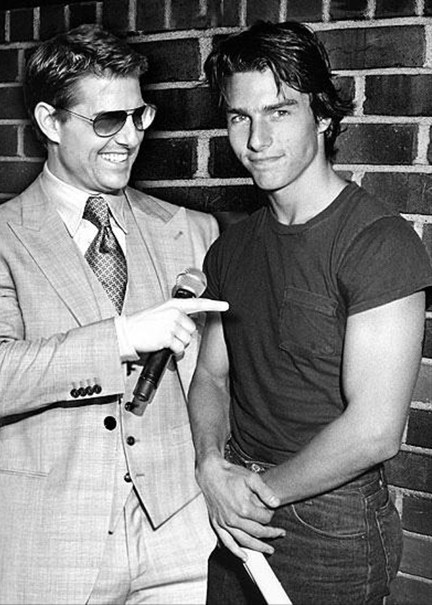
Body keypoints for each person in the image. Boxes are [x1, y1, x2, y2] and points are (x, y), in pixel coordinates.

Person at [0, 23, 228, 605]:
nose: (129, 137)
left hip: (180, 540)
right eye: (107, 120)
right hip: (50, 543)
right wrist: (123, 336)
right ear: (50, 122)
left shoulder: (193, 231)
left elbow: (216, 381)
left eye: (138, 115)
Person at [187, 20, 432, 605]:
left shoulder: (378, 242)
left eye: (279, 112)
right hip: (236, 502)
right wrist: (211, 466)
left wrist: (256, 493)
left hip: (330, 520)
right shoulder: (230, 249)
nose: (257, 139)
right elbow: (211, 377)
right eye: (240, 117)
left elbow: (375, 432)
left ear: (322, 115)